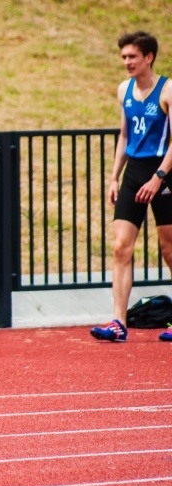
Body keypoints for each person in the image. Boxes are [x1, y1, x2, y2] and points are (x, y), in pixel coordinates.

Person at [91, 31, 172, 343]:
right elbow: (125, 136)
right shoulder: (124, 89)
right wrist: (114, 177)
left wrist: (159, 177)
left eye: (132, 57)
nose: (127, 62)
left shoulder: (167, 90)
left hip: (163, 173)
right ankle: (118, 322)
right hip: (135, 172)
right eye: (124, 57)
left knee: (168, 249)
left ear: (148, 57)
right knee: (120, 247)